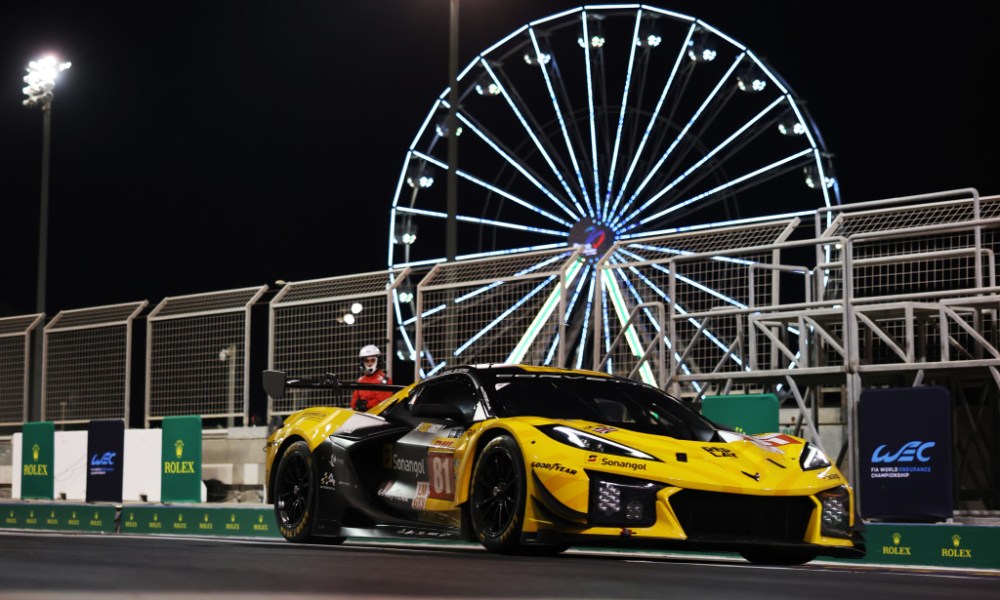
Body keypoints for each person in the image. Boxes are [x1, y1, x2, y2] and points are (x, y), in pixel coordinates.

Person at [351, 344, 393, 411]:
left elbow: (383, 403)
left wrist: (366, 405)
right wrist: (358, 405)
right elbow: (353, 403)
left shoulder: (384, 380)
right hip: (362, 416)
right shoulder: (360, 381)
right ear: (362, 363)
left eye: (372, 360)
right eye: (367, 361)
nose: (370, 364)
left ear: (378, 361)